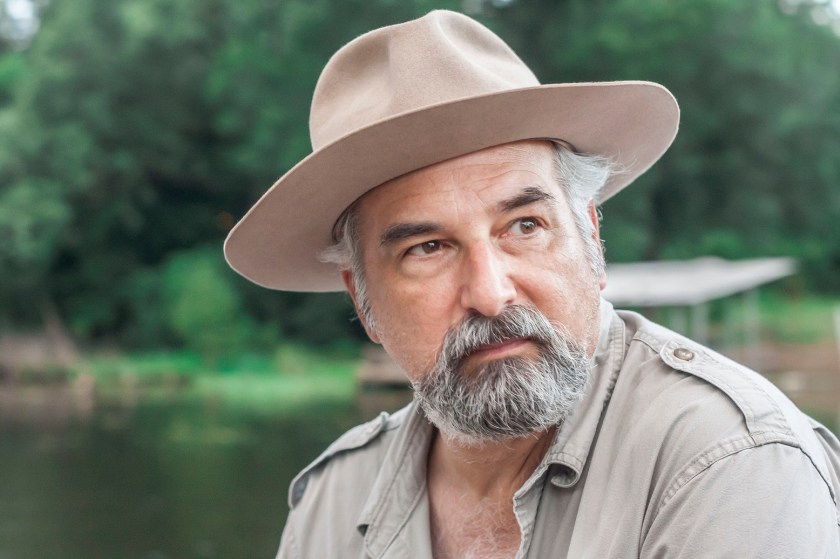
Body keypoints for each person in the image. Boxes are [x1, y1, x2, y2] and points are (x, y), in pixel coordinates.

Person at [224, 10, 840, 559]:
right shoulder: (331, 500)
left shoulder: (729, 466)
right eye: (428, 248)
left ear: (591, 240)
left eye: (525, 225)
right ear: (362, 298)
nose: (490, 294)